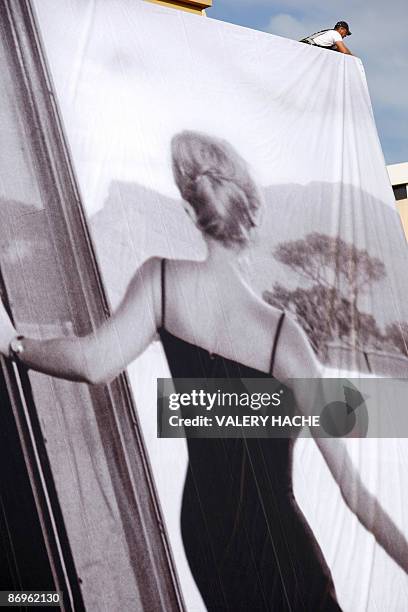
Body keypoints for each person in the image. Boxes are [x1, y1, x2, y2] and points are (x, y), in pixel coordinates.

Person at [1, 130, 407, 610]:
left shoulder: (161, 282)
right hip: (274, 544)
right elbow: (351, 490)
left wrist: (14, 344)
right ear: (249, 220)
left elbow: (94, 364)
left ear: (191, 212)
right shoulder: (284, 337)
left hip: (206, 534)